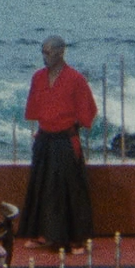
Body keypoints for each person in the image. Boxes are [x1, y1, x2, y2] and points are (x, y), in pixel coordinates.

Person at [18, 35, 96, 253]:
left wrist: (70, 126)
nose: (45, 57)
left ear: (61, 52)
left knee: (69, 190)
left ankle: (76, 240)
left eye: (49, 52)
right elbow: (34, 110)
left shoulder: (76, 79)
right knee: (41, 187)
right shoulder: (38, 78)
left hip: (65, 140)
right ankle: (42, 234)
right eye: (43, 52)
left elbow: (87, 112)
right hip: (44, 138)